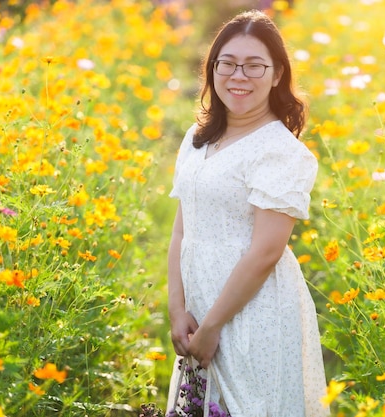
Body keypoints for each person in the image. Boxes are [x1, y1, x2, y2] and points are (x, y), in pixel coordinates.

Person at [166, 9, 329, 417]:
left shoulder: (280, 151)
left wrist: (213, 326)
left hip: (253, 309)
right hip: (198, 308)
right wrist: (177, 310)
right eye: (228, 63)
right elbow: (181, 232)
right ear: (212, 68)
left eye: (255, 65)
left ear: (277, 75)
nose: (239, 75)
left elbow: (265, 252)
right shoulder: (199, 138)